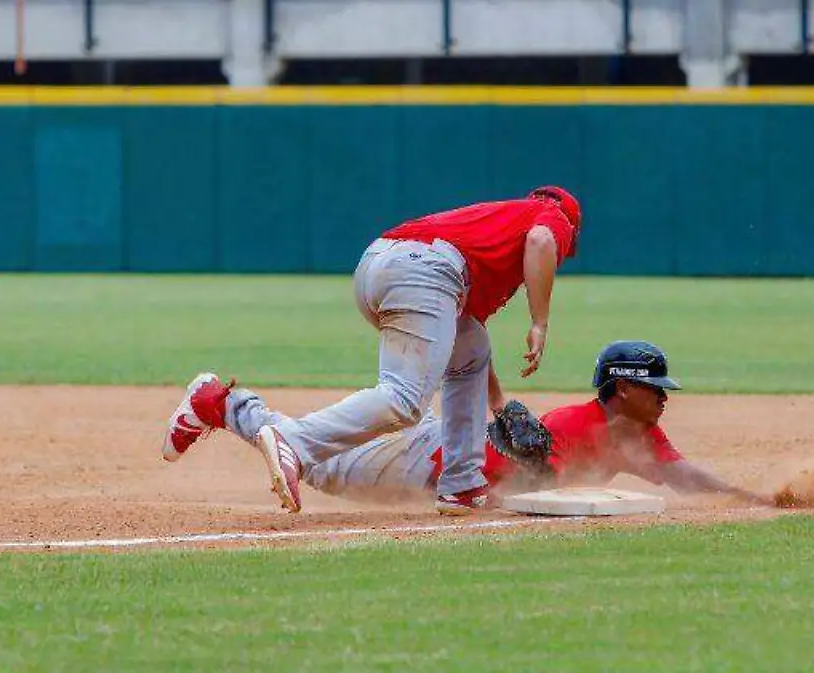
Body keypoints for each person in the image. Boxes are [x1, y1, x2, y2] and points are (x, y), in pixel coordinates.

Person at [160, 187, 583, 515]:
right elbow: (543, 241)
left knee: (472, 348)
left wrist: (499, 405)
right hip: (426, 272)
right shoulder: (552, 216)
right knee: (404, 399)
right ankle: (293, 441)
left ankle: (462, 484)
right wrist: (539, 322)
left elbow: (463, 339)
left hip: (381, 265)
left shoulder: (493, 223)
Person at [160, 340, 768, 508]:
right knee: (317, 470)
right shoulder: (578, 423)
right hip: (434, 455)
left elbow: (682, 475)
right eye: (654, 389)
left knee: (317, 467)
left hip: (449, 464)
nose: (664, 399)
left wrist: (756, 498)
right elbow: (515, 467)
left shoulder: (640, 440)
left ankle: (229, 408)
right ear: (624, 388)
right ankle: (220, 402)